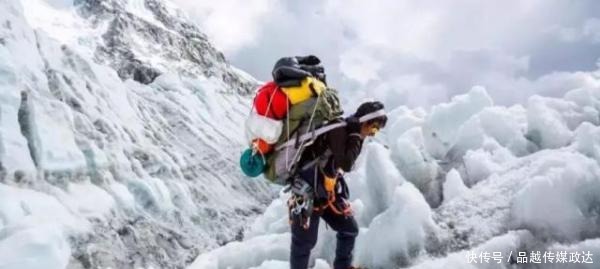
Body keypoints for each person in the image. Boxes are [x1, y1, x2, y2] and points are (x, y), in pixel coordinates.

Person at [288, 101, 388, 269]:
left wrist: (356, 135)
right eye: (374, 128)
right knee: (304, 243)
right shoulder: (339, 129)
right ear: (365, 121)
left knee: (349, 229)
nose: (373, 133)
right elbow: (347, 163)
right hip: (306, 191)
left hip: (324, 193)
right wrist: (356, 136)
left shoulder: (349, 132)